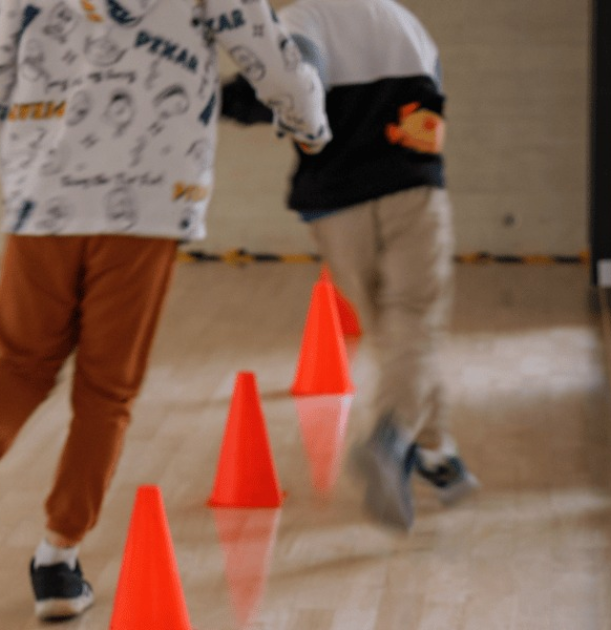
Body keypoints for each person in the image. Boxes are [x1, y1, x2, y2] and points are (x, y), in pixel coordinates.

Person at [0, 0, 331, 621]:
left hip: (41, 193)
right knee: (106, 388)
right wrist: (311, 122)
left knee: (23, 360)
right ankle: (57, 560)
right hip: (146, 199)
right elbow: (266, 52)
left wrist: (20, 165)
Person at [220, 0, 479, 531]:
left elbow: (288, 90)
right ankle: (397, 441)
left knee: (395, 330)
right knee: (414, 323)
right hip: (414, 191)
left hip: (338, 204)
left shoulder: (301, 22)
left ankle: (436, 455)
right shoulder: (408, 26)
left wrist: (211, 95)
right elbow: (434, 117)